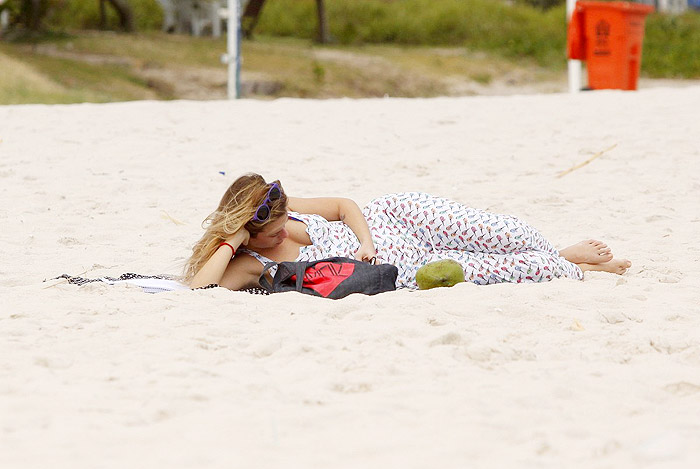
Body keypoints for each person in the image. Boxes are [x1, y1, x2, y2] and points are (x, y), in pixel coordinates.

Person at [184, 173, 631, 291]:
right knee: (495, 271)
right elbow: (199, 286)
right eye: (273, 234)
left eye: (284, 225)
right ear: (248, 233)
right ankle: (565, 261)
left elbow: (344, 207)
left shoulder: (280, 210)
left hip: (394, 220)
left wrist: (365, 240)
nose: (283, 235)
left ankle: (554, 248)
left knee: (501, 231)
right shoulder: (246, 262)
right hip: (401, 268)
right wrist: (233, 240)